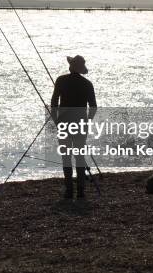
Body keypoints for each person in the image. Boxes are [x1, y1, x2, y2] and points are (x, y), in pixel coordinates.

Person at [50, 55, 97, 199]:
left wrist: (56, 120)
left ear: (70, 67)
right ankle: (81, 190)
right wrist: (87, 120)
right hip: (80, 124)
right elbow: (93, 107)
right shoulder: (87, 84)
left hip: (64, 123)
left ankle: (69, 190)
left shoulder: (60, 80)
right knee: (79, 157)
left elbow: (54, 102)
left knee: (66, 157)